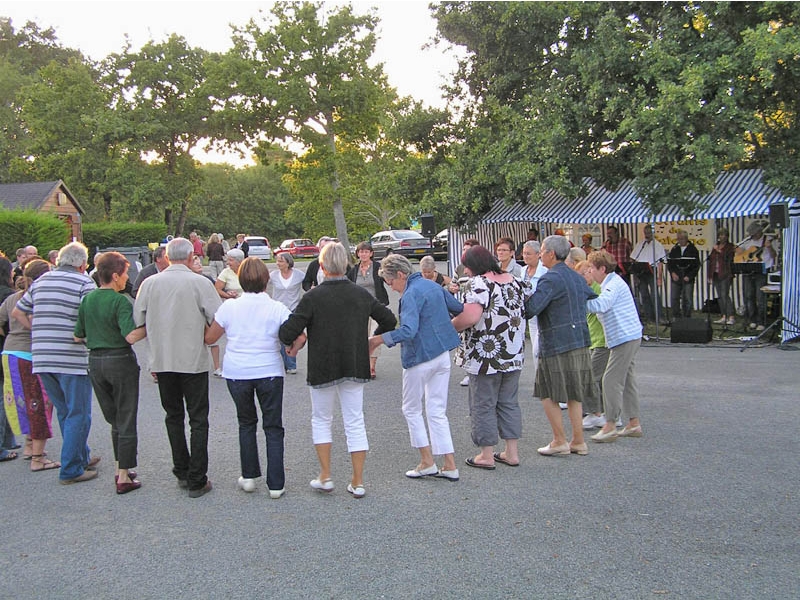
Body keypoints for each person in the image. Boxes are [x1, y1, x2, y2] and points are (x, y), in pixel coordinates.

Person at [279, 242, 396, 499]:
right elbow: (389, 320)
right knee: (354, 420)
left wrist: (300, 338)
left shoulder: (312, 297)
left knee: (322, 419)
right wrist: (372, 339)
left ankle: (325, 475)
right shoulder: (360, 294)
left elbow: (286, 331)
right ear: (346, 265)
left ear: (321, 266)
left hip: (323, 364)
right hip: (354, 362)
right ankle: (357, 480)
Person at [133, 237, 222, 498]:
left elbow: (139, 318)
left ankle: (182, 469)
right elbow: (217, 318)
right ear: (189, 255)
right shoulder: (199, 283)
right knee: (198, 419)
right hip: (192, 358)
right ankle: (197, 477)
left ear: (168, 257)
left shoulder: (149, 284)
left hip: (162, 359)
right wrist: (207, 338)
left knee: (173, 416)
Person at [12, 242, 100, 484]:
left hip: (42, 356)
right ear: (83, 264)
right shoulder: (84, 283)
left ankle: (80, 455)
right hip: (71, 356)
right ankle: (72, 467)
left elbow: (18, 312)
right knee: (79, 412)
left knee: (64, 410)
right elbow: (89, 314)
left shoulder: (41, 282)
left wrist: (38, 331)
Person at [370, 254, 463, 481]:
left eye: (391, 282)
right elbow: (457, 306)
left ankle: (426, 461)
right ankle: (449, 464)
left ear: (401, 275)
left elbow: (409, 331)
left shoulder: (410, 294)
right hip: (442, 354)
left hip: (419, 357)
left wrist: (377, 339)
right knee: (437, 410)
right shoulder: (431, 285)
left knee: (411, 409)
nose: (392, 288)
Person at [205, 258, 291, 499]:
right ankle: (276, 484)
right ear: (266, 279)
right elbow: (297, 335)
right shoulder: (277, 307)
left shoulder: (230, 307)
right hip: (269, 369)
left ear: (241, 279)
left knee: (246, 422)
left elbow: (211, 337)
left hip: (237, 371)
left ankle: (250, 475)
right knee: (273, 426)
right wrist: (292, 349)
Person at [451, 245, 531, 469]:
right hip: (513, 352)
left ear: (474, 265)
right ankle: (511, 452)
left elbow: (471, 317)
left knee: (483, 403)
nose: (465, 271)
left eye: (467, 267)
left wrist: (450, 327)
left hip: (486, 354)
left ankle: (486, 455)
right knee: (509, 402)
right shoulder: (516, 281)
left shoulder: (479, 284)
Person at [74, 252, 146, 494]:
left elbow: (78, 335)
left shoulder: (88, 299)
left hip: (95, 361)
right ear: (115, 276)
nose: (127, 278)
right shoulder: (120, 301)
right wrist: (149, 327)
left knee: (114, 418)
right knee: (126, 416)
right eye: (125, 274)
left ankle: (119, 466)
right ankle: (124, 474)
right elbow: (130, 336)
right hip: (119, 360)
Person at [524, 235, 596, 457]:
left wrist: (523, 296)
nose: (541, 254)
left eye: (542, 250)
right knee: (575, 392)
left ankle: (559, 440)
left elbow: (531, 309)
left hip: (556, 341)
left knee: (548, 391)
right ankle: (578, 441)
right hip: (580, 340)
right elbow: (588, 295)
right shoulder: (575, 277)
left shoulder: (550, 278)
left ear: (551, 254)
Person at [1, 259, 58, 469]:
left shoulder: (12, 298)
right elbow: (31, 318)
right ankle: (38, 457)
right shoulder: (37, 297)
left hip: (9, 351)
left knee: (23, 402)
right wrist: (36, 331)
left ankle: (28, 444)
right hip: (28, 354)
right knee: (40, 402)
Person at [585, 250, 644, 442]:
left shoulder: (612, 285)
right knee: (627, 380)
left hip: (624, 337)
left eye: (591, 268)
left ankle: (610, 424)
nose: (590, 272)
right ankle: (633, 423)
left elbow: (602, 305)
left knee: (610, 379)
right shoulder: (613, 282)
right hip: (628, 335)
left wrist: (579, 301)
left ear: (602, 269)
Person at [574, 260, 611, 431]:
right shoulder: (589, 289)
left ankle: (595, 413)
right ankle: (603, 413)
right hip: (594, 340)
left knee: (592, 377)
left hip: (602, 341)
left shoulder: (595, 290)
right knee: (597, 377)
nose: (581, 278)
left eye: (584, 274)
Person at [346, 242, 390, 379]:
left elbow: (388, 279)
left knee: (374, 335)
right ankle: (361, 363)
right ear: (357, 254)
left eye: (366, 252)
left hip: (376, 306)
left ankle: (371, 366)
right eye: (361, 252)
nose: (363, 254)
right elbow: (347, 286)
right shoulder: (353, 270)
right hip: (358, 308)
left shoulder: (377, 267)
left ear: (371, 253)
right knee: (360, 336)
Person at [735, 221, 776, 331]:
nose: (752, 235)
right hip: (748, 270)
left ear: (759, 232)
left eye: (754, 233)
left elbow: (774, 256)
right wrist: (742, 253)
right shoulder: (748, 241)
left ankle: (761, 321)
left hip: (761, 271)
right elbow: (738, 251)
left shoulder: (767, 240)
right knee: (749, 296)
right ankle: (752, 320)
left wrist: (770, 247)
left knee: (761, 297)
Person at [268, 253, 305, 374]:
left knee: (292, 337)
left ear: (288, 262)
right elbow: (263, 285)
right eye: (277, 261)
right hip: (277, 309)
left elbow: (307, 283)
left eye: (281, 261)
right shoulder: (273, 275)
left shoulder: (298, 274)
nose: (278, 264)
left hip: (293, 309)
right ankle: (283, 364)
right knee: (280, 337)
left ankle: (291, 364)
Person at [0, 255, 21, 462]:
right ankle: (3, 444)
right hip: (9, 348)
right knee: (4, 397)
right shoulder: (8, 294)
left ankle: (8, 439)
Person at [520, 240, 547, 390]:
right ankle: (540, 380)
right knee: (534, 351)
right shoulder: (523, 271)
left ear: (538, 255)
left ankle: (544, 381)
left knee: (539, 349)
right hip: (529, 315)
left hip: (542, 313)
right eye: (524, 253)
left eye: (529, 254)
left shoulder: (545, 271)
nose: (525, 256)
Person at [189, 256, 223, 376]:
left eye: (200, 263)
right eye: (195, 263)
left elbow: (216, 290)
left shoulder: (207, 279)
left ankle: (217, 367)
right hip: (195, 316)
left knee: (214, 342)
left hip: (207, 315)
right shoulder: (189, 281)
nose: (199, 265)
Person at [630, 224, 667, 322]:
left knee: (654, 294)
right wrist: (635, 275)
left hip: (652, 269)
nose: (647, 235)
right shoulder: (640, 244)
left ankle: (659, 316)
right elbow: (633, 258)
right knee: (644, 294)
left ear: (653, 233)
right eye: (645, 233)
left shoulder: (658, 245)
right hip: (641, 270)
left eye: (649, 233)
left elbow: (661, 262)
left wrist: (659, 277)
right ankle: (649, 316)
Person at [667, 230, 700, 319]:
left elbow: (696, 266)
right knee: (674, 297)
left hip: (687, 278)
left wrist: (689, 276)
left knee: (687, 299)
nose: (680, 241)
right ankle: (676, 316)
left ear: (686, 239)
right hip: (676, 278)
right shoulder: (674, 249)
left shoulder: (693, 249)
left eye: (682, 239)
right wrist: (672, 273)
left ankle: (687, 317)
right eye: (678, 239)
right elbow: (670, 264)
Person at [708, 227, 736, 326]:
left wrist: (719, 252)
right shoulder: (716, 246)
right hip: (715, 273)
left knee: (725, 295)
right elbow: (711, 260)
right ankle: (723, 315)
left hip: (726, 273)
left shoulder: (730, 247)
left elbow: (729, 259)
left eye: (723, 235)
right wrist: (709, 275)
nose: (721, 237)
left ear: (727, 236)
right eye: (720, 235)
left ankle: (731, 316)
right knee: (720, 296)